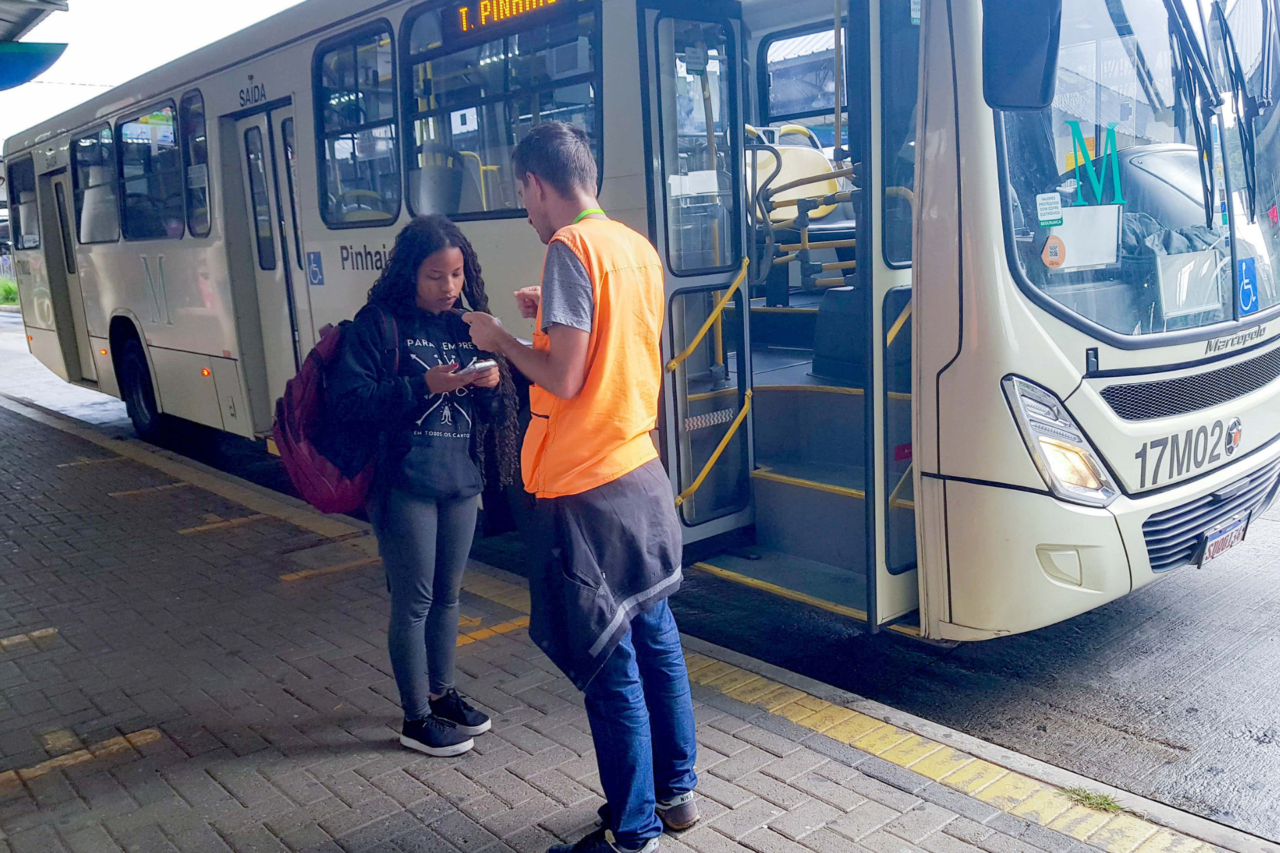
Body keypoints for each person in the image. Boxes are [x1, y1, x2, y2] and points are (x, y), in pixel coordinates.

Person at [464, 122, 698, 853]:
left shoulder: (568, 248)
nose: (526, 213)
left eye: (522, 196)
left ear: (538, 183)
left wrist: (500, 339)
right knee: (657, 634)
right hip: (640, 473)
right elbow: (607, 348)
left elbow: (564, 377)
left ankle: (632, 831)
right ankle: (677, 794)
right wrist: (548, 318)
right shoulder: (633, 247)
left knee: (609, 658)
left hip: (585, 487)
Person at [328, 214, 521, 758]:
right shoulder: (379, 323)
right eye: (436, 275)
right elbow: (350, 402)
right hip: (403, 482)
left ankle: (442, 694)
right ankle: (415, 719)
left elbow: (493, 412)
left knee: (449, 597)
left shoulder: (466, 325)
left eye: (457, 274)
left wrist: (488, 383)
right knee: (413, 603)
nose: (449, 287)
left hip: (459, 480)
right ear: (410, 273)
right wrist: (420, 385)